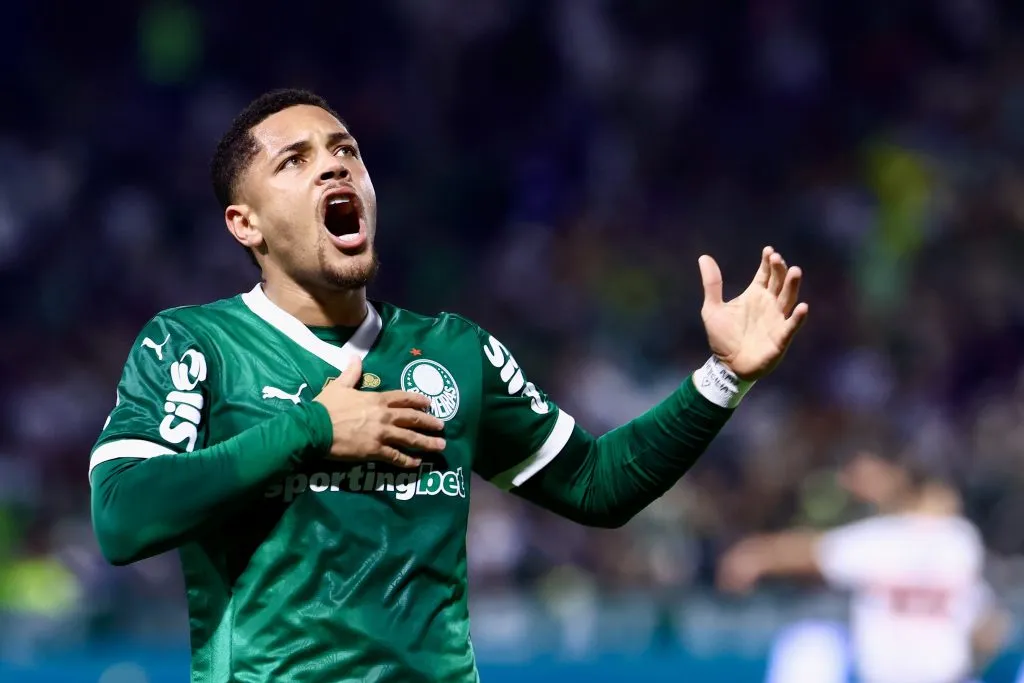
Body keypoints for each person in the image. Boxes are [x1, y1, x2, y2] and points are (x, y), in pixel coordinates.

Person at [89, 88, 808, 683]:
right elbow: (121, 515)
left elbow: (598, 484)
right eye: (296, 160)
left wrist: (723, 378)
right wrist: (310, 431)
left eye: (347, 152)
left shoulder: (455, 353)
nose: (336, 169)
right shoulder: (195, 344)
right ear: (245, 223)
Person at [717, 448, 1010, 683]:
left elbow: (808, 552)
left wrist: (753, 555)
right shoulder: (961, 540)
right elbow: (990, 630)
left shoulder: (887, 537)